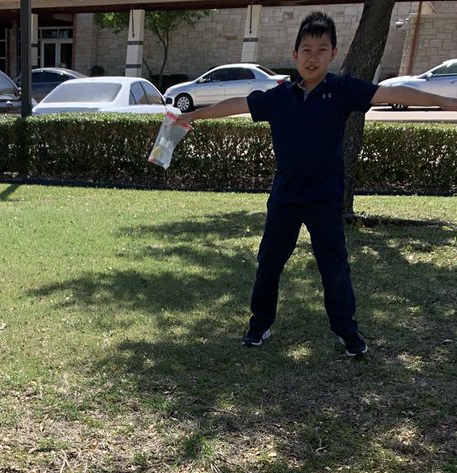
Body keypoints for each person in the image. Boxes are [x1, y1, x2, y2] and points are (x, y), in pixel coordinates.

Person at [181, 10, 457, 356]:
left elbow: (392, 93)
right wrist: (192, 115)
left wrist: (446, 101)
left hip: (325, 196)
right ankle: (259, 324)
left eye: (321, 50)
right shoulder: (279, 96)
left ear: (333, 54)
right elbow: (238, 103)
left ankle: (347, 331)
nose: (313, 57)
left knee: (334, 265)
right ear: (295, 55)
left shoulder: (342, 90)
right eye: (307, 50)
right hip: (286, 196)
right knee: (269, 262)